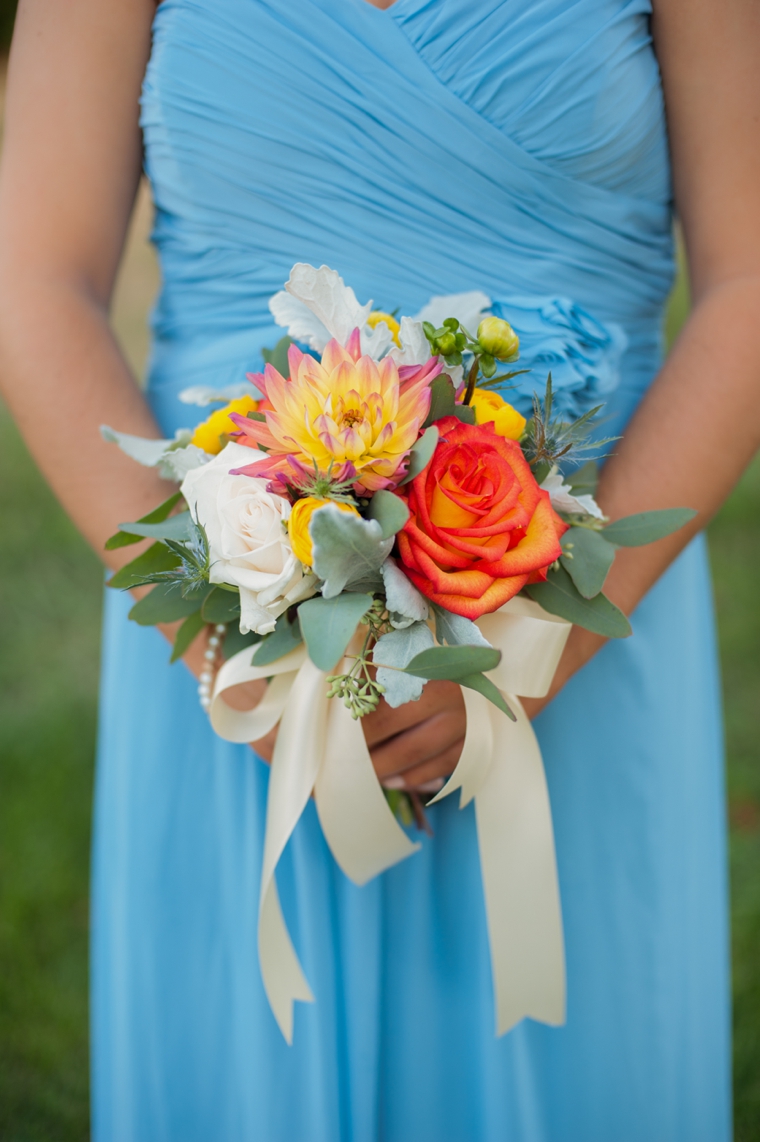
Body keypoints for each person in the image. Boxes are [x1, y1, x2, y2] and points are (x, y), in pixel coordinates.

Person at [0, 0, 758, 1137]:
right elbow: (33, 277)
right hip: (230, 658)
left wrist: (539, 654)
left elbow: (749, 280)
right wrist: (232, 652)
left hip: (579, 632)